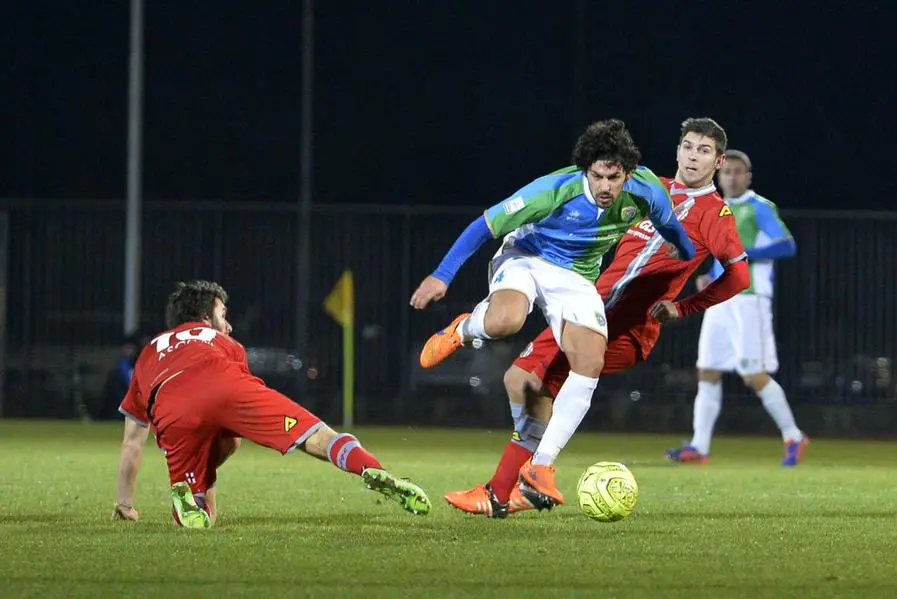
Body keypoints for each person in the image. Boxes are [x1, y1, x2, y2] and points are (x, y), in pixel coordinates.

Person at [445, 117, 750, 517]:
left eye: (704, 151)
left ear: (718, 160)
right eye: (689, 147)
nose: (694, 157)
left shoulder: (715, 214)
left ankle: (521, 480)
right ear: (677, 150)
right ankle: (514, 487)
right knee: (522, 381)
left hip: (629, 327)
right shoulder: (645, 187)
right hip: (589, 305)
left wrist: (684, 306)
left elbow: (740, 276)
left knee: (533, 380)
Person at [112, 280, 431, 528]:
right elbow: (221, 402)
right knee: (316, 434)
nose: (229, 324)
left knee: (203, 492)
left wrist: (124, 503)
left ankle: (189, 494)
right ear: (206, 318)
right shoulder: (224, 341)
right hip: (226, 385)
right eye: (224, 315)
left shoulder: (150, 351)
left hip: (172, 408)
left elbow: (131, 443)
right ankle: (372, 468)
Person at [667, 150, 807, 466]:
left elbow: (787, 244)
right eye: (726, 171)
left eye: (738, 171)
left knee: (752, 374)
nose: (731, 176)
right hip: (721, 299)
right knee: (708, 370)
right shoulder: (719, 209)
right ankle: (699, 447)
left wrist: (745, 254)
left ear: (748, 177)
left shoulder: (759, 207)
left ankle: (794, 436)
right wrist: (710, 277)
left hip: (749, 299)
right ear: (718, 175)